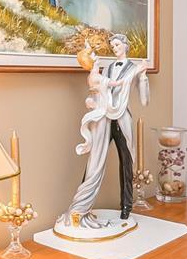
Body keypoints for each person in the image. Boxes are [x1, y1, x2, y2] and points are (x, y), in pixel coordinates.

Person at [64, 33, 149, 228]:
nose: (115, 48)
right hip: (104, 118)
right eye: (113, 46)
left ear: (126, 45)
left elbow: (144, 101)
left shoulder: (134, 68)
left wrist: (143, 76)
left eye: (118, 45)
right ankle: (82, 203)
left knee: (126, 161)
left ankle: (126, 206)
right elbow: (102, 88)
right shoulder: (109, 68)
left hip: (122, 118)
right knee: (95, 157)